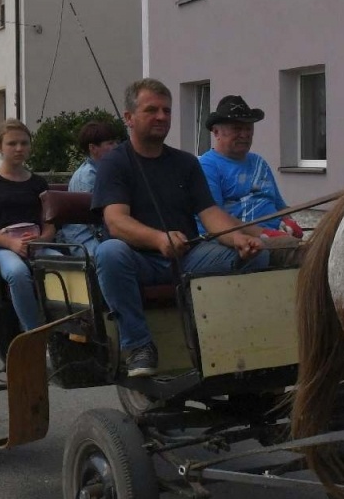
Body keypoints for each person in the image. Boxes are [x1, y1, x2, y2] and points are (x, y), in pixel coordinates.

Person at [93, 78, 267, 377]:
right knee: (109, 253)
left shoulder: (186, 162)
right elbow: (115, 221)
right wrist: (158, 238)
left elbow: (211, 214)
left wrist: (239, 240)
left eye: (167, 110)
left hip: (187, 257)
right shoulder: (115, 163)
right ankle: (138, 346)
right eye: (152, 110)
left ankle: (231, 341)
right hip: (139, 261)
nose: (162, 117)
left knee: (259, 256)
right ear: (129, 118)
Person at [0, 120, 55, 332]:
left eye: (24, 143)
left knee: (70, 266)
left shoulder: (38, 184)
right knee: (16, 272)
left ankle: (70, 328)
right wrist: (10, 243)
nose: (19, 148)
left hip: (37, 245)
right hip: (1, 247)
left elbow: (50, 225)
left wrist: (41, 241)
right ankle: (33, 333)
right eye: (12, 143)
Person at [197, 95, 302, 239]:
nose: (245, 135)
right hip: (242, 243)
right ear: (216, 132)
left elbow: (280, 205)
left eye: (248, 128)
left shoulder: (260, 163)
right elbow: (216, 219)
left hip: (277, 236)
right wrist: (264, 234)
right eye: (237, 128)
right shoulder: (207, 166)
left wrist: (288, 220)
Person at [54, 119, 119, 252]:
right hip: (84, 237)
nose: (116, 146)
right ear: (93, 148)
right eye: (110, 143)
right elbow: (95, 219)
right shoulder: (88, 176)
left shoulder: (105, 171)